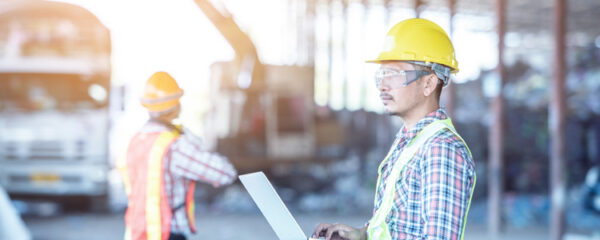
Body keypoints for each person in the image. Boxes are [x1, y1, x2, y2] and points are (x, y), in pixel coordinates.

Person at [313, 18, 476, 240]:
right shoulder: (409, 141)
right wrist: (362, 234)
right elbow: (401, 225)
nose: (382, 85)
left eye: (394, 74)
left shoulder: (441, 150)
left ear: (428, 84)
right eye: (381, 75)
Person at [117, 72, 237, 240]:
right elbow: (225, 173)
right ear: (176, 105)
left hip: (136, 233)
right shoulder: (174, 146)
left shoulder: (135, 142)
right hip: (167, 233)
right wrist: (191, 139)